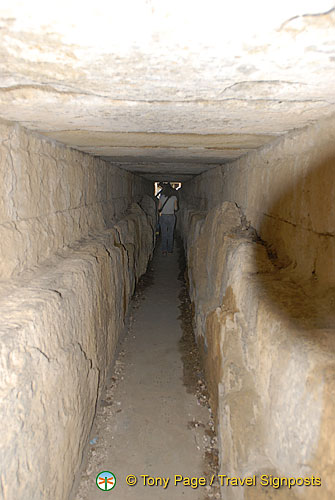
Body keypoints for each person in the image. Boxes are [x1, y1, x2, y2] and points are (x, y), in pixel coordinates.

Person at [158, 183, 178, 255]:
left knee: (164, 233)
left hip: (163, 216)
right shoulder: (174, 198)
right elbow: (176, 208)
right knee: (170, 233)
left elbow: (159, 208)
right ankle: (170, 249)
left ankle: (164, 250)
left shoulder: (161, 197)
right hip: (171, 216)